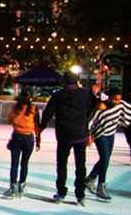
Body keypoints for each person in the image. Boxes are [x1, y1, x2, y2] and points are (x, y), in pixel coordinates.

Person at [39, 72, 96, 207]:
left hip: (64, 135)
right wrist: (85, 121)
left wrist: (41, 127)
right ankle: (80, 195)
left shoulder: (58, 95)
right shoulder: (86, 94)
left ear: (64, 82)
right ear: (77, 81)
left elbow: (48, 113)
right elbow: (93, 108)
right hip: (80, 134)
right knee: (80, 166)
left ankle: (61, 192)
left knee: (61, 164)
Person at [85, 88, 131, 201]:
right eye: (115, 99)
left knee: (105, 158)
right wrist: (89, 135)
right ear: (109, 98)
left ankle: (90, 179)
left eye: (119, 100)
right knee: (105, 158)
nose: (117, 102)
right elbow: (90, 122)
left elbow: (129, 110)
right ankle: (101, 186)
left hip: (111, 133)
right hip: (100, 134)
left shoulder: (120, 105)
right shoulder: (101, 106)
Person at [3, 91, 41, 199]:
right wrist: (38, 140)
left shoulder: (16, 108)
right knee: (25, 163)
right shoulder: (34, 109)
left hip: (17, 137)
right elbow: (37, 125)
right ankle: (22, 186)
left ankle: (12, 187)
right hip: (29, 138)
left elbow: (10, 120)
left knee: (14, 164)